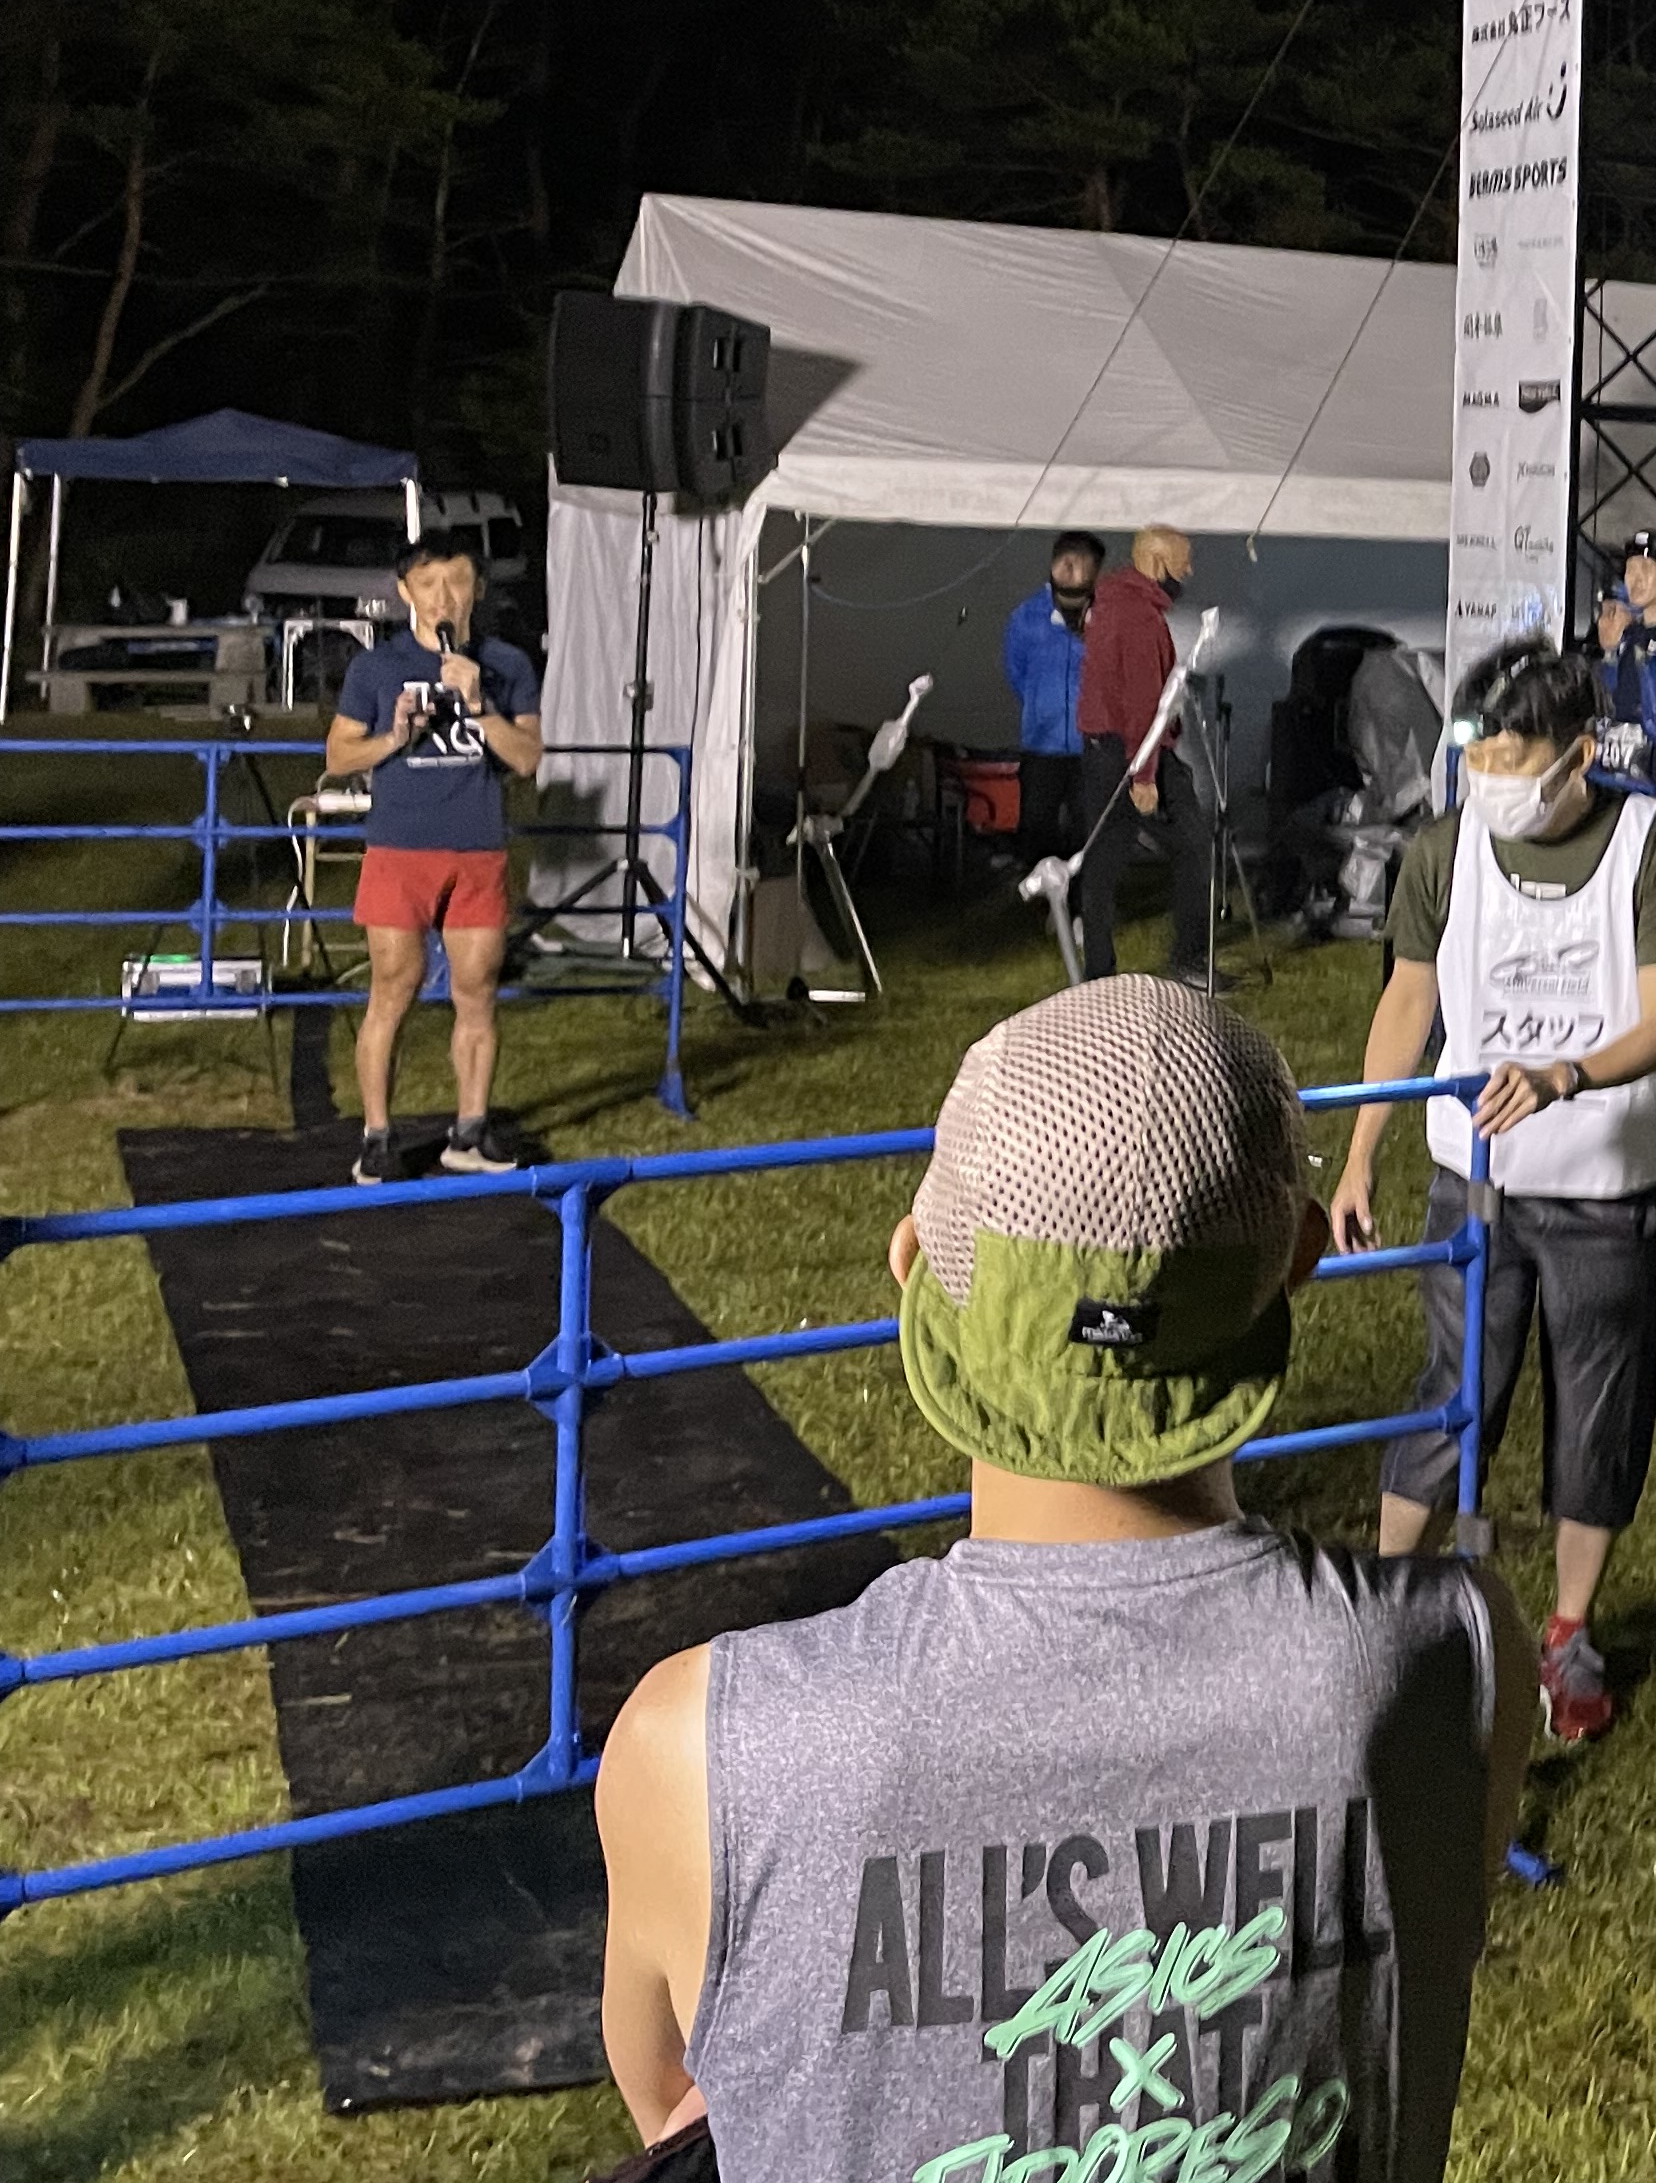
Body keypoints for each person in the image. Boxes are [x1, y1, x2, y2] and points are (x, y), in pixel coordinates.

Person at [592, 974, 1529, 2183]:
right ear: (1299, 1258)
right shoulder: (1453, 1660)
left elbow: (685, 2108)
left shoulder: (699, 1749)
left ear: (914, 1265)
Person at [1339, 639, 1656, 1746]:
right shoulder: (1444, 851)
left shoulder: (1652, 848)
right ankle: (1382, 1613)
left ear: (1579, 752)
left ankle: (1568, 1631)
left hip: (1604, 1186)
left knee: (1599, 1411)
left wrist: (1565, 1076)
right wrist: (1362, 1150)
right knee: (1454, 1395)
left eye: (1514, 754)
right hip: (1476, 1183)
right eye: (1478, 753)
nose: (1491, 775)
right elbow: (1408, 1001)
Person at [324, 536, 544, 1183]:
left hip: (477, 848)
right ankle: (376, 1137)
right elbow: (337, 756)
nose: (444, 598)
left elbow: (527, 759)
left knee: (477, 990)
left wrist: (479, 706)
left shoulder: (505, 664)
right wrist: (394, 737)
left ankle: (469, 1133)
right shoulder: (376, 667)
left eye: (457, 582)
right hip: (400, 849)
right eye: (428, 584)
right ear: (405, 593)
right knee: (394, 988)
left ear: (479, 588)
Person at [1073, 525, 1212, 986]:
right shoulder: (1139, 618)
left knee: (1102, 861)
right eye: (1182, 561)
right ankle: (1190, 960)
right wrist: (1145, 775)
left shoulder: (1110, 603)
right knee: (1194, 846)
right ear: (1156, 562)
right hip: (1137, 750)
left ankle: (1097, 971)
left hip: (1102, 748)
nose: (1187, 571)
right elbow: (1141, 702)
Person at [998, 530, 1100, 854]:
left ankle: (1083, 886)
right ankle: (1040, 881)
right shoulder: (1027, 617)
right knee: (1038, 829)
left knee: (1088, 833)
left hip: (1091, 746)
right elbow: (1016, 671)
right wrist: (1042, 706)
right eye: (1067, 562)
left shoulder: (1104, 617)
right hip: (1041, 745)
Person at [1593, 527, 1656, 783]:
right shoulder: (1627, 638)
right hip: (1617, 780)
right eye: (1631, 570)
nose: (1635, 580)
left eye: (1646, 569)